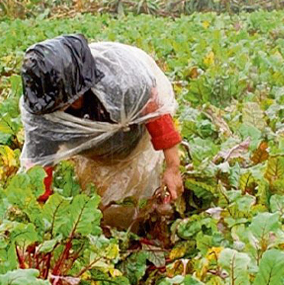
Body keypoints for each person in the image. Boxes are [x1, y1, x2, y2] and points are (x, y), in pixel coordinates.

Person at [19, 34, 183, 207]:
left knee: (140, 200)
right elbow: (40, 164)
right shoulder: (42, 114)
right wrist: (40, 208)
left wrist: (173, 168)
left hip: (132, 137)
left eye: (66, 101)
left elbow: (156, 115)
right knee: (99, 201)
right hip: (91, 153)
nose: (62, 109)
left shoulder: (122, 82)